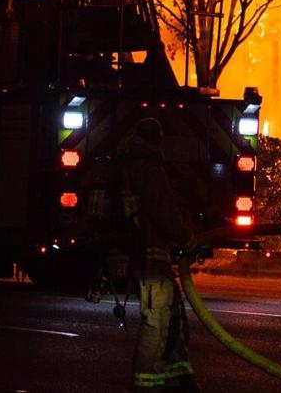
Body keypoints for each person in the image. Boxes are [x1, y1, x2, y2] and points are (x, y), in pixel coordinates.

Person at [118, 117, 199, 393]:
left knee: (172, 317)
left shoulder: (126, 165)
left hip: (143, 259)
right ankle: (146, 385)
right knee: (155, 322)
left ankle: (180, 376)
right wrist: (188, 239)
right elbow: (164, 211)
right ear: (157, 140)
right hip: (149, 261)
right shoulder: (148, 168)